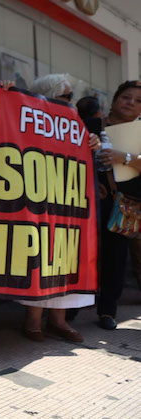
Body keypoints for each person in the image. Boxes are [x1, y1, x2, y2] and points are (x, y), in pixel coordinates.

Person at [18, 73, 99, 343]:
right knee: (39, 259)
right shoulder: (26, 120)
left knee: (65, 257)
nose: (71, 102)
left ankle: (59, 322)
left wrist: (93, 143)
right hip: (39, 202)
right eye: (65, 97)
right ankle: (33, 322)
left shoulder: (75, 125)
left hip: (69, 202)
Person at [96, 80, 141, 329]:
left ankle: (107, 311)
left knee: (116, 257)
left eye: (138, 100)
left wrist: (123, 158)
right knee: (80, 253)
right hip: (86, 200)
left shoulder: (140, 133)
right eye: (126, 97)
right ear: (114, 100)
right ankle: (68, 311)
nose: (131, 103)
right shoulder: (90, 125)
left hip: (123, 205)